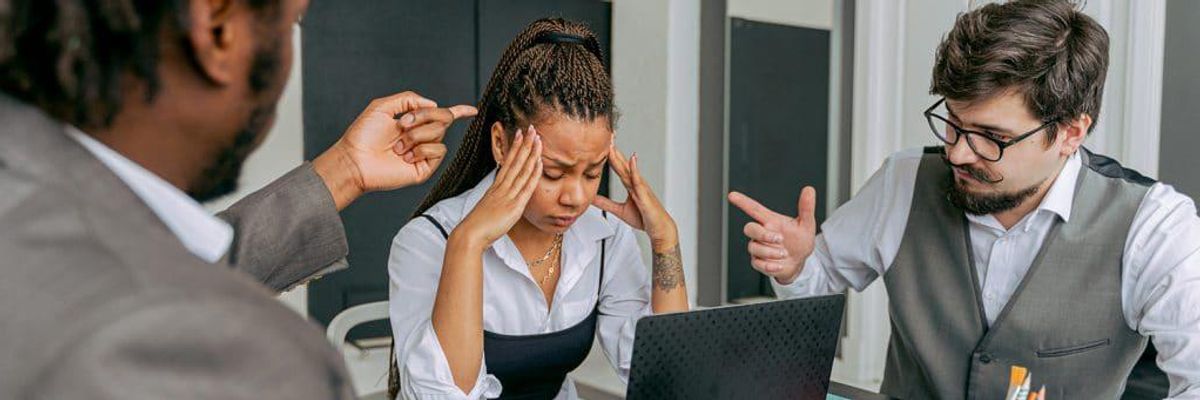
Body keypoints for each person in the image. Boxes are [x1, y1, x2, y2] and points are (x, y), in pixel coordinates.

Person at [0, 0, 474, 398]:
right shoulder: (228, 358)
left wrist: (346, 170)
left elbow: (162, 267)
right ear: (218, 29)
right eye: (292, 24)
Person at [729, 1, 1200, 398]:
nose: (956, 152)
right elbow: (821, 280)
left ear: (1071, 133)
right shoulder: (903, 181)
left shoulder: (1155, 227)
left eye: (991, 137)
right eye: (953, 122)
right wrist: (795, 267)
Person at [386, 18, 690, 400]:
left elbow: (670, 378)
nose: (574, 197)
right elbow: (443, 396)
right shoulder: (429, 241)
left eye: (592, 173)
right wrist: (468, 242)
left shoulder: (604, 238)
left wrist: (666, 241)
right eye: (551, 173)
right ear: (501, 144)